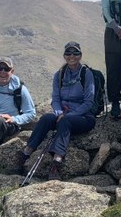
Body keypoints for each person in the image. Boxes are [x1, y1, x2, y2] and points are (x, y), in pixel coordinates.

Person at [17, 42, 96, 180]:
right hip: (63, 114)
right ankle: (26, 152)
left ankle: (56, 162)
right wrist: (59, 113)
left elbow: (89, 102)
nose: (72, 56)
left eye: (75, 53)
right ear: (64, 56)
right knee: (46, 118)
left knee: (65, 121)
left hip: (84, 117)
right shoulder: (59, 75)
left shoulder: (86, 74)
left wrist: (69, 115)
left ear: (80, 55)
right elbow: (55, 99)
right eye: (68, 53)